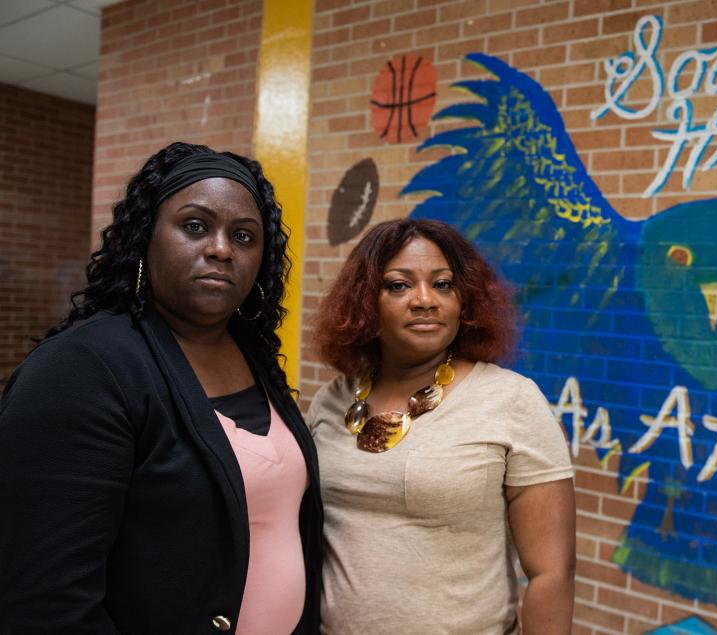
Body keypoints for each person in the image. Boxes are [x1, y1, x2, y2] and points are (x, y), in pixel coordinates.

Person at [0, 142, 322, 634]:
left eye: (243, 235)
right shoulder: (82, 368)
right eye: (195, 226)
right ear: (146, 238)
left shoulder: (251, 354)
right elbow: (46, 602)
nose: (221, 248)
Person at [308, 218, 575, 634]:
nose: (424, 300)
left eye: (443, 284)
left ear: (465, 301)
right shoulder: (332, 400)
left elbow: (551, 574)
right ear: (364, 302)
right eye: (399, 285)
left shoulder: (511, 400)